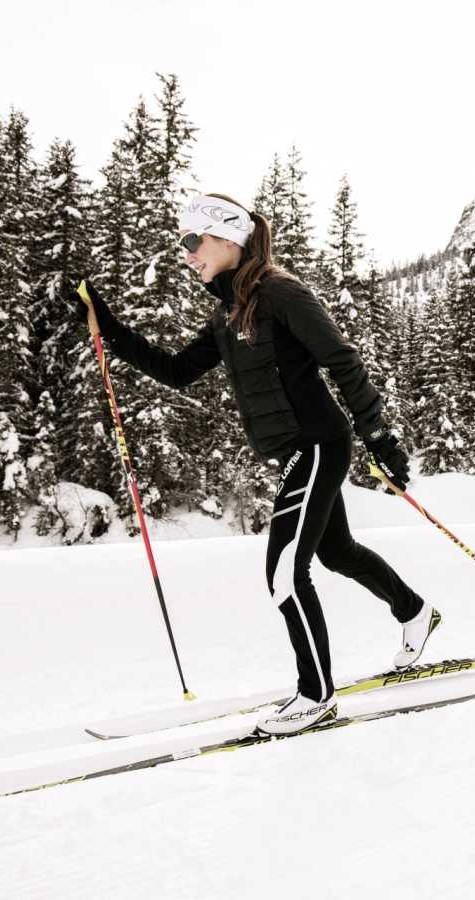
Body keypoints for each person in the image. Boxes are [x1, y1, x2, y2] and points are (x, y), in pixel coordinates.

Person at [70, 193, 440, 734]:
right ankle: (414, 611)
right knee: (336, 552)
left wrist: (379, 438)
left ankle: (315, 696)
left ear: (227, 238)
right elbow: (176, 371)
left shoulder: (280, 293)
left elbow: (342, 360)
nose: (187, 253)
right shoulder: (229, 313)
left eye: (192, 241)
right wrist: (106, 323)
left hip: (318, 444)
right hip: (299, 451)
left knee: (285, 572)